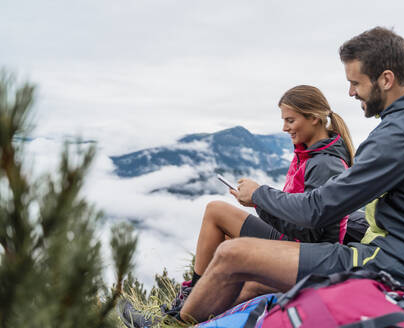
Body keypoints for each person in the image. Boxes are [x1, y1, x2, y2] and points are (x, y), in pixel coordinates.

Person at [173, 26, 404, 323]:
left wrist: (259, 195)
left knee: (232, 255)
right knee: (257, 282)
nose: (351, 92)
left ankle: (175, 322)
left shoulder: (400, 133)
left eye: (356, 83)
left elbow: (318, 210)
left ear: (386, 79)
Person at [119, 85, 356, 326]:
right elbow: (297, 209)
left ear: (314, 118)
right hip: (295, 240)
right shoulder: (310, 153)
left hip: (307, 251)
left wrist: (259, 201)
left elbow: (311, 231)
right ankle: (190, 298)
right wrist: (258, 201)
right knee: (216, 210)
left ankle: (176, 319)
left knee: (236, 261)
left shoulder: (326, 164)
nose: (284, 128)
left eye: (290, 120)